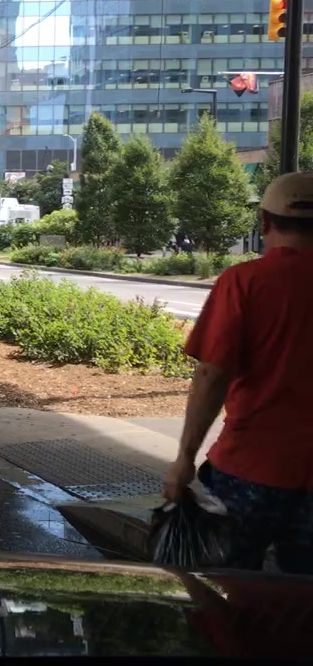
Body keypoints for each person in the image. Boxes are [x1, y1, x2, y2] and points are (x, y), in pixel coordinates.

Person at [163, 171, 313, 573]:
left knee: (227, 584)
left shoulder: (243, 282)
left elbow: (212, 375)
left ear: (264, 223)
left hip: (250, 469)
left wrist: (184, 459)